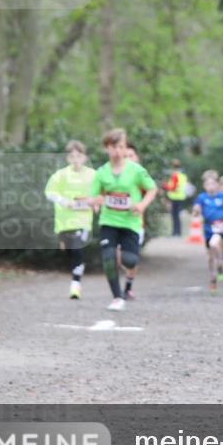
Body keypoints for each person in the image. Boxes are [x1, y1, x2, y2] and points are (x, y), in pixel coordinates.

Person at [90, 128, 158, 311]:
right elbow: (94, 197)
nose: (118, 151)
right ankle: (117, 297)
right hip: (109, 221)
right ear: (107, 148)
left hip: (131, 223)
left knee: (130, 261)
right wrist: (95, 203)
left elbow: (152, 189)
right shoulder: (101, 172)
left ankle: (124, 264)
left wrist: (142, 205)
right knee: (108, 259)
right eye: (114, 147)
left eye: (121, 147)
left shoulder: (136, 170)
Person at [44, 140, 96, 299]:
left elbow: (100, 193)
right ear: (67, 158)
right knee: (71, 251)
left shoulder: (93, 175)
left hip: (83, 220)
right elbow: (49, 193)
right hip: (64, 222)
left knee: (78, 249)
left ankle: (75, 284)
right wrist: (65, 202)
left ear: (84, 157)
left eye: (79, 156)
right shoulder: (60, 175)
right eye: (72, 156)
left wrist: (93, 202)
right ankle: (65, 247)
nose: (75, 159)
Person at [192, 171, 223, 293]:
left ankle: (221, 259)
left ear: (217, 184)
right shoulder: (202, 197)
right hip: (208, 229)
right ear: (204, 186)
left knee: (214, 243)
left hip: (221, 229)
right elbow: (196, 209)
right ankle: (213, 278)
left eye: (213, 183)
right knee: (210, 258)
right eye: (207, 184)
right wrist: (195, 212)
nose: (210, 186)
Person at [119, 143, 147, 299]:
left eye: (131, 156)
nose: (128, 159)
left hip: (135, 224)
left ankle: (128, 287)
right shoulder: (113, 174)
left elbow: (150, 191)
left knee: (131, 259)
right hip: (115, 223)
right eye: (125, 156)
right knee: (117, 255)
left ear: (137, 158)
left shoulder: (141, 176)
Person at [163, 159, 188, 236]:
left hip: (175, 198)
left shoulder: (175, 176)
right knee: (176, 216)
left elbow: (172, 187)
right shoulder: (183, 176)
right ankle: (177, 232)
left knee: (174, 216)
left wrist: (165, 185)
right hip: (180, 197)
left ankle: (176, 232)